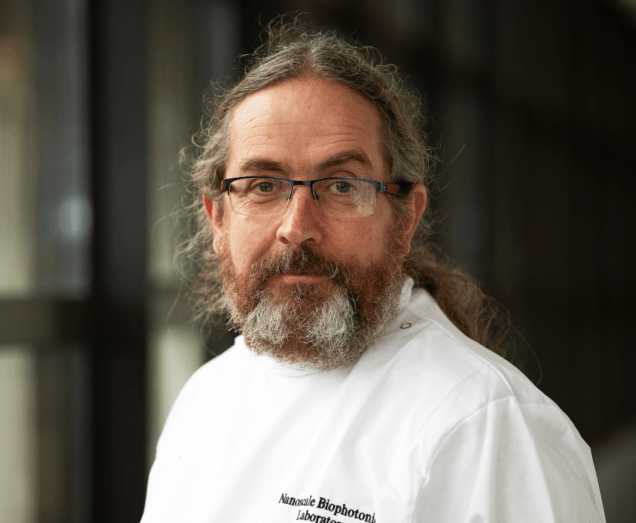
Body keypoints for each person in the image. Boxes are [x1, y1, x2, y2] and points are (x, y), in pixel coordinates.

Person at [141, 19, 606, 523]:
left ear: (404, 218)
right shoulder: (203, 402)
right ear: (217, 218)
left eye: (342, 186)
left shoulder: (488, 426)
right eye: (262, 185)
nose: (297, 227)